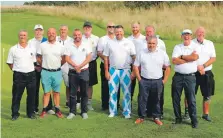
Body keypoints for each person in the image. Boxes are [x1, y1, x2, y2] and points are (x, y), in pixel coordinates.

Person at [134, 36, 171, 125]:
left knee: (157, 99)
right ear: (147, 43)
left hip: (158, 81)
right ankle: (141, 116)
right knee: (142, 99)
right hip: (144, 80)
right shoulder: (141, 53)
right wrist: (139, 79)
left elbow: (168, 67)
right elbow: (135, 66)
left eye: (153, 43)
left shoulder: (162, 53)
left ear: (156, 44)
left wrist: (164, 80)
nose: (151, 45)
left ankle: (156, 117)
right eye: (149, 43)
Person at [103, 25, 136, 118]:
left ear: (123, 32)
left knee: (127, 92)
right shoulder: (109, 43)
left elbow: (134, 57)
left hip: (126, 70)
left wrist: (133, 71)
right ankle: (113, 111)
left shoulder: (129, 42)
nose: (119, 33)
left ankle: (126, 112)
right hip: (113, 71)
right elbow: (105, 58)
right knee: (112, 92)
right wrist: (106, 71)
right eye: (117, 32)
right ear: (114, 32)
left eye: (120, 31)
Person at [184, 27, 216, 122]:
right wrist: (197, 67)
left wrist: (203, 66)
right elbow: (188, 57)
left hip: (207, 72)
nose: (200, 34)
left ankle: (205, 114)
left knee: (207, 95)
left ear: (204, 33)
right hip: (193, 72)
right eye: (199, 32)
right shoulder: (191, 43)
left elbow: (213, 58)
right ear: (195, 33)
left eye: (202, 32)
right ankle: (187, 113)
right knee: (189, 93)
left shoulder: (210, 43)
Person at [171, 29, 199, 128]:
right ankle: (178, 118)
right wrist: (188, 58)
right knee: (175, 98)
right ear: (181, 36)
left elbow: (194, 58)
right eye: (184, 35)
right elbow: (174, 60)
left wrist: (182, 57)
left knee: (191, 99)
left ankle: (194, 120)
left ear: (191, 36)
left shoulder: (195, 46)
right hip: (178, 76)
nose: (186, 36)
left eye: (188, 35)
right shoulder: (177, 47)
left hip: (190, 77)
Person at [7, 30, 36, 120]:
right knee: (16, 95)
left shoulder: (32, 49)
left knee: (31, 95)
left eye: (24, 35)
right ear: (18, 36)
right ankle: (15, 114)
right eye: (21, 35)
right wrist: (17, 70)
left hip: (31, 75)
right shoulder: (13, 49)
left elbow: (33, 61)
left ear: (27, 37)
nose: (22, 37)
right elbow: (10, 63)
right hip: (19, 76)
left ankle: (30, 113)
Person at [37, 28, 65, 118]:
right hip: (45, 72)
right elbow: (38, 57)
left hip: (57, 72)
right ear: (47, 34)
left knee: (56, 92)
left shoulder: (60, 46)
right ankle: (44, 110)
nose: (51, 34)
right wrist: (44, 65)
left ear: (55, 34)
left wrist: (58, 65)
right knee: (46, 92)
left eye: (53, 33)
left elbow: (64, 58)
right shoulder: (42, 45)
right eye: (49, 33)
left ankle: (57, 109)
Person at [65, 29, 92, 119]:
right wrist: (75, 66)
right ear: (73, 36)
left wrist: (79, 67)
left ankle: (84, 112)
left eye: (79, 35)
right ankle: (72, 112)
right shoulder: (69, 45)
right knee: (72, 93)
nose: (77, 36)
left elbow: (88, 58)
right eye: (75, 35)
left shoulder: (86, 44)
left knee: (84, 92)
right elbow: (67, 58)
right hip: (73, 72)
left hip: (84, 71)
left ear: (81, 35)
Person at [28, 24, 54, 115]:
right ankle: (34, 108)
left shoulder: (47, 41)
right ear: (34, 31)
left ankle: (49, 107)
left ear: (43, 31)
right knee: (34, 88)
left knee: (46, 88)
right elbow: (29, 55)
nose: (38, 32)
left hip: (45, 68)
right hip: (34, 68)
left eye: (40, 30)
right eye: (36, 30)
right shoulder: (30, 42)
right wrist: (35, 65)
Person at [145, 25, 166, 118]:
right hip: (146, 72)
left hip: (158, 72)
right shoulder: (143, 42)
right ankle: (148, 112)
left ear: (154, 32)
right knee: (146, 94)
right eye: (147, 32)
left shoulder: (161, 43)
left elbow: (165, 60)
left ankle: (159, 112)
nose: (149, 33)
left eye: (150, 31)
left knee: (158, 94)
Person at [97, 22, 117, 110]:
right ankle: (105, 104)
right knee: (105, 85)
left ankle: (115, 104)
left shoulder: (118, 38)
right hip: (105, 64)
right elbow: (99, 52)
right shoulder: (102, 39)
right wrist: (107, 60)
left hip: (115, 65)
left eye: (113, 26)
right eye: (109, 26)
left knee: (116, 85)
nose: (111, 28)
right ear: (107, 28)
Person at [127, 21, 146, 107]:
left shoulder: (144, 39)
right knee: (129, 87)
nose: (135, 29)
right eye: (133, 27)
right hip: (130, 66)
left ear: (139, 27)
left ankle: (142, 107)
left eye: (136, 27)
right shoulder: (128, 39)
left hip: (142, 66)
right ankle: (128, 106)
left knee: (142, 87)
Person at [82, 21, 99, 111]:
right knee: (80, 82)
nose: (87, 29)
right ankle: (79, 102)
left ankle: (89, 103)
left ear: (91, 28)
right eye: (86, 27)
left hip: (92, 63)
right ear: (83, 29)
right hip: (82, 63)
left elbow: (99, 51)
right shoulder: (80, 38)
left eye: (89, 27)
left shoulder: (96, 39)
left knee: (90, 83)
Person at [56, 25, 73, 108]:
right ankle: (56, 104)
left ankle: (68, 101)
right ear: (59, 31)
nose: (63, 31)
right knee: (56, 85)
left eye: (65, 30)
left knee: (68, 84)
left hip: (67, 66)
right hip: (56, 66)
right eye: (61, 29)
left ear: (67, 31)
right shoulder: (55, 39)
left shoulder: (71, 40)